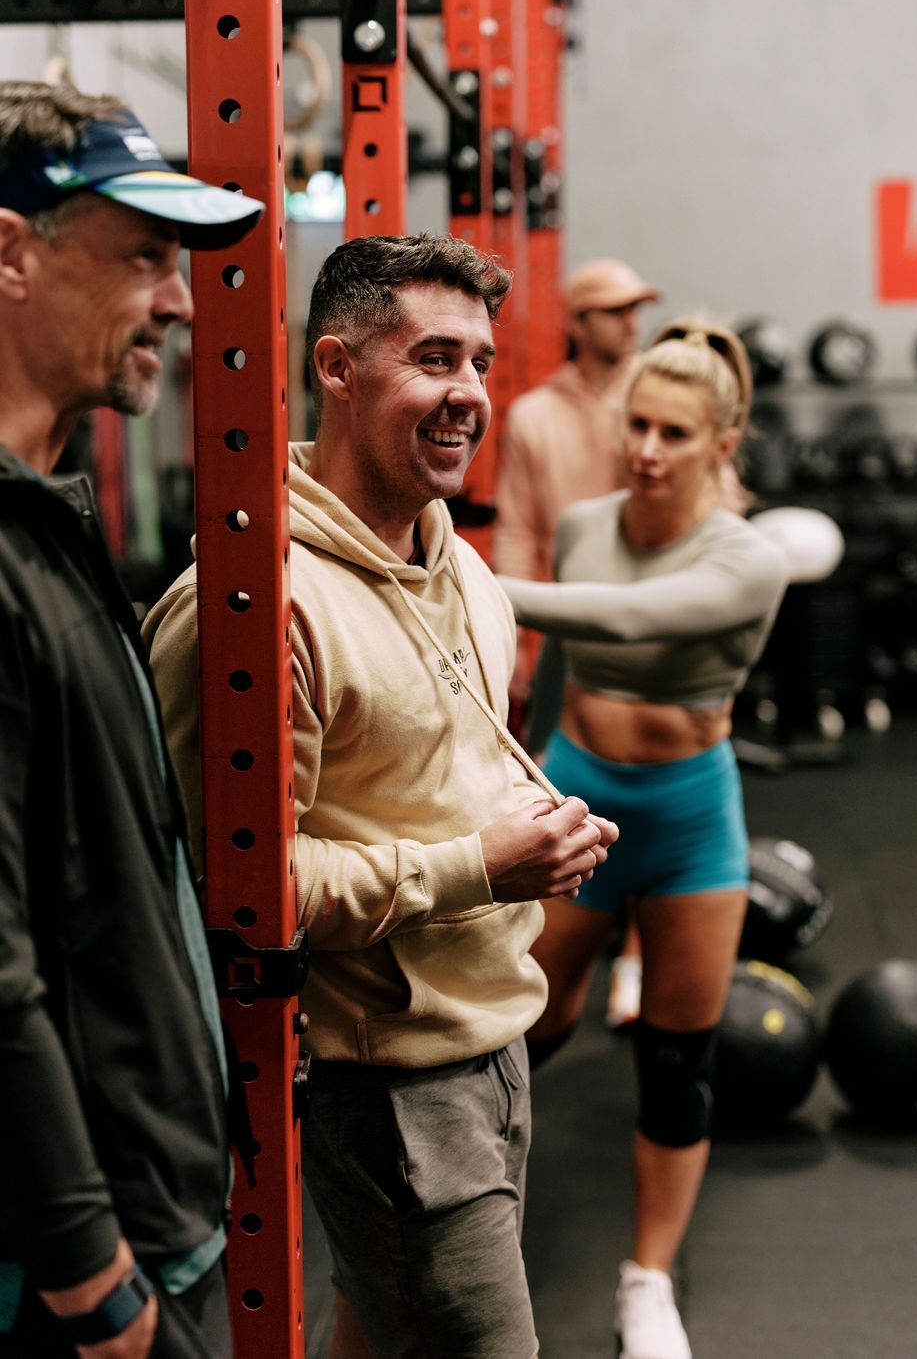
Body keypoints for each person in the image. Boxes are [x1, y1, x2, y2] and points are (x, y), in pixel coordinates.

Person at [144, 233, 619, 1359]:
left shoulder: (461, 568)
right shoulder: (254, 607)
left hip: (495, 1043)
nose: (468, 395)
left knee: (375, 1331)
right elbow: (225, 885)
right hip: (386, 1087)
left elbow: (445, 770)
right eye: (434, 358)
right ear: (336, 368)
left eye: (482, 365)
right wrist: (480, 867)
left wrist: (532, 834)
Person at [0, 81, 265, 1359]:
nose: (177, 298)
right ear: (12, 252)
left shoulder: (47, 519)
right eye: (146, 257)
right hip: (73, 1276)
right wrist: (92, 1280)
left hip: (141, 1208)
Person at [497, 319, 788, 1359]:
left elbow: (630, 622)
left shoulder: (748, 560)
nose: (646, 450)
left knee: (675, 1060)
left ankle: (647, 1281)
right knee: (526, 1019)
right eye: (637, 426)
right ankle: (478, 1210)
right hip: (579, 789)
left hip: (690, 817)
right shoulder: (583, 526)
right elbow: (573, 666)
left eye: (673, 432)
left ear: (722, 440)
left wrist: (451, 583)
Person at [493, 258, 660, 714]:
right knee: (557, 770)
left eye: (636, 309)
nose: (631, 323)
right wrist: (512, 646)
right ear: (578, 325)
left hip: (649, 615)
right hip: (562, 622)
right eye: (614, 311)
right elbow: (517, 532)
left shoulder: (662, 406)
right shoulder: (535, 415)